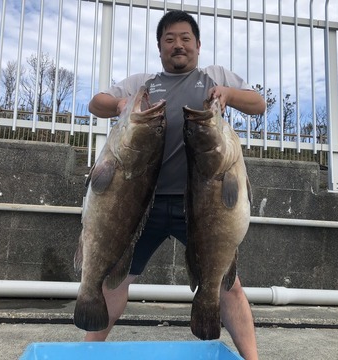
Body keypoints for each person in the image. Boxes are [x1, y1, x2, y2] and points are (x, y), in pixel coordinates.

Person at [86, 10, 265, 360]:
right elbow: (96, 104)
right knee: (115, 279)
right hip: (141, 203)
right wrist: (121, 103)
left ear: (198, 45)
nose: (178, 45)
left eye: (185, 38)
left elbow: (257, 104)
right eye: (170, 39)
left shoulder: (215, 76)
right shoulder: (143, 84)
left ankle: (252, 358)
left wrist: (228, 93)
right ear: (160, 47)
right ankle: (87, 352)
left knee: (227, 285)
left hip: (202, 206)